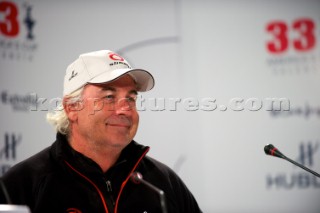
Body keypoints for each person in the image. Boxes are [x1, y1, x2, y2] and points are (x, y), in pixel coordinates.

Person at [0, 50, 202, 213]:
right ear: (72, 108)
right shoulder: (22, 185)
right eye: (109, 97)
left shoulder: (163, 183)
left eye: (131, 98)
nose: (125, 109)